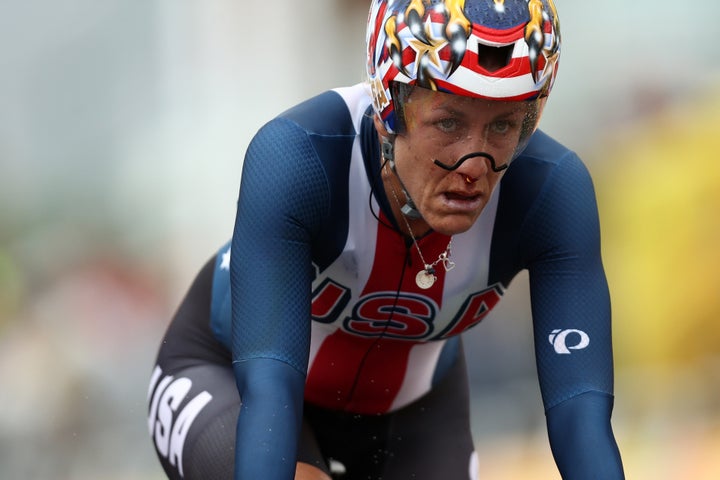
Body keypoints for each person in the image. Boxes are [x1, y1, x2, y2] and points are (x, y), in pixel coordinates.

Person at [147, 1, 625, 478]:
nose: (475, 164)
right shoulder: (298, 159)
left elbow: (580, 418)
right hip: (234, 380)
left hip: (414, 410)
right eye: (449, 122)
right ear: (387, 106)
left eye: (502, 124)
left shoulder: (551, 190)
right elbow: (269, 391)